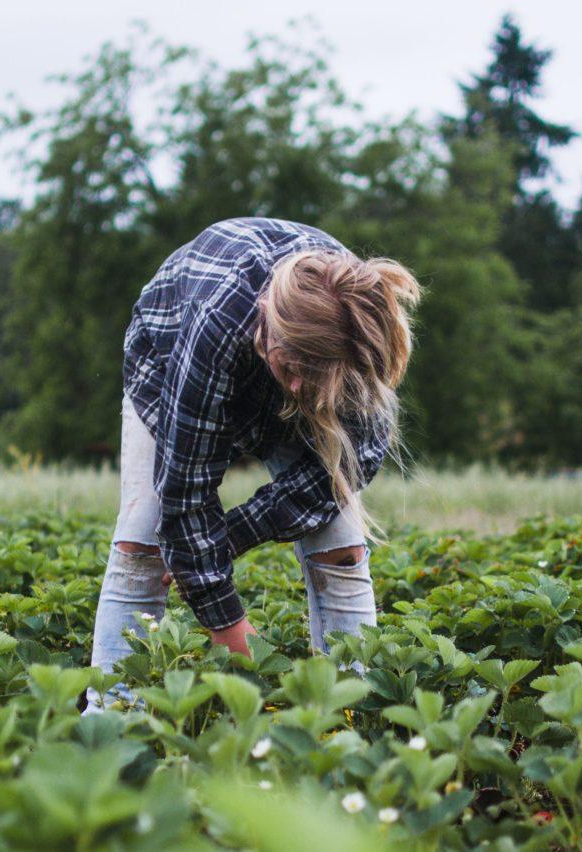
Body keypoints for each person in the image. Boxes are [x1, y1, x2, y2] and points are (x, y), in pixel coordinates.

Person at [85, 217, 420, 711]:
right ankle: (109, 719)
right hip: (168, 353)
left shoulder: (356, 331)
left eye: (313, 375)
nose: (300, 389)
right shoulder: (217, 320)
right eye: (292, 369)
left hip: (300, 367)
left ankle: (353, 708)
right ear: (268, 318)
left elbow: (352, 465)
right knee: (144, 536)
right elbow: (186, 489)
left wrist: (228, 536)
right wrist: (226, 622)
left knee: (342, 546)